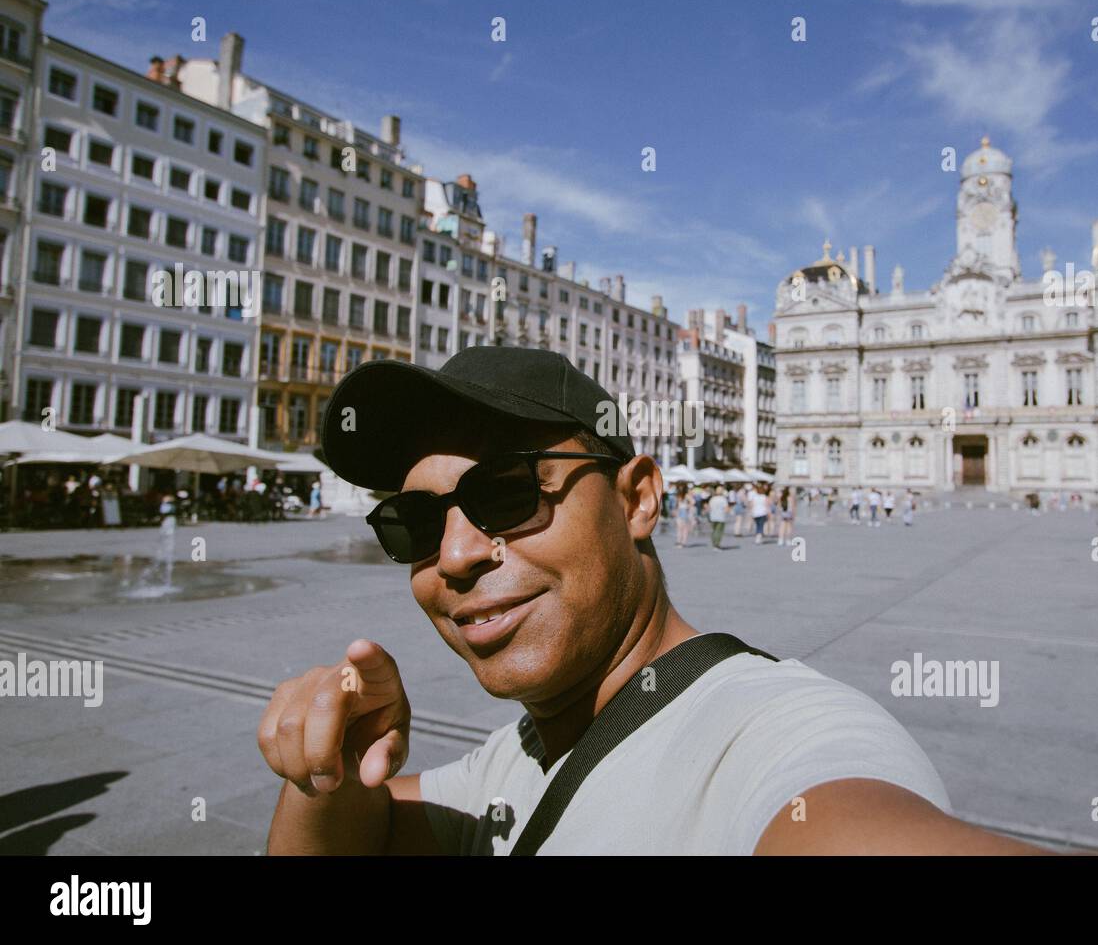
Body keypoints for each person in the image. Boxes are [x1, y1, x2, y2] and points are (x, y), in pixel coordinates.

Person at [259, 348, 1045, 855]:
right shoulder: (514, 760)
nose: (457, 555)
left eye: (505, 492)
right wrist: (324, 772)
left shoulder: (774, 740)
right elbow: (350, 841)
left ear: (638, 499)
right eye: (416, 523)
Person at [707, 485, 729, 551]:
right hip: (721, 517)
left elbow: (709, 508)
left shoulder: (712, 499)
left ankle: (714, 543)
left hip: (712, 517)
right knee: (719, 531)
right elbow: (726, 509)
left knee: (714, 530)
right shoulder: (723, 499)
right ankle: (717, 544)